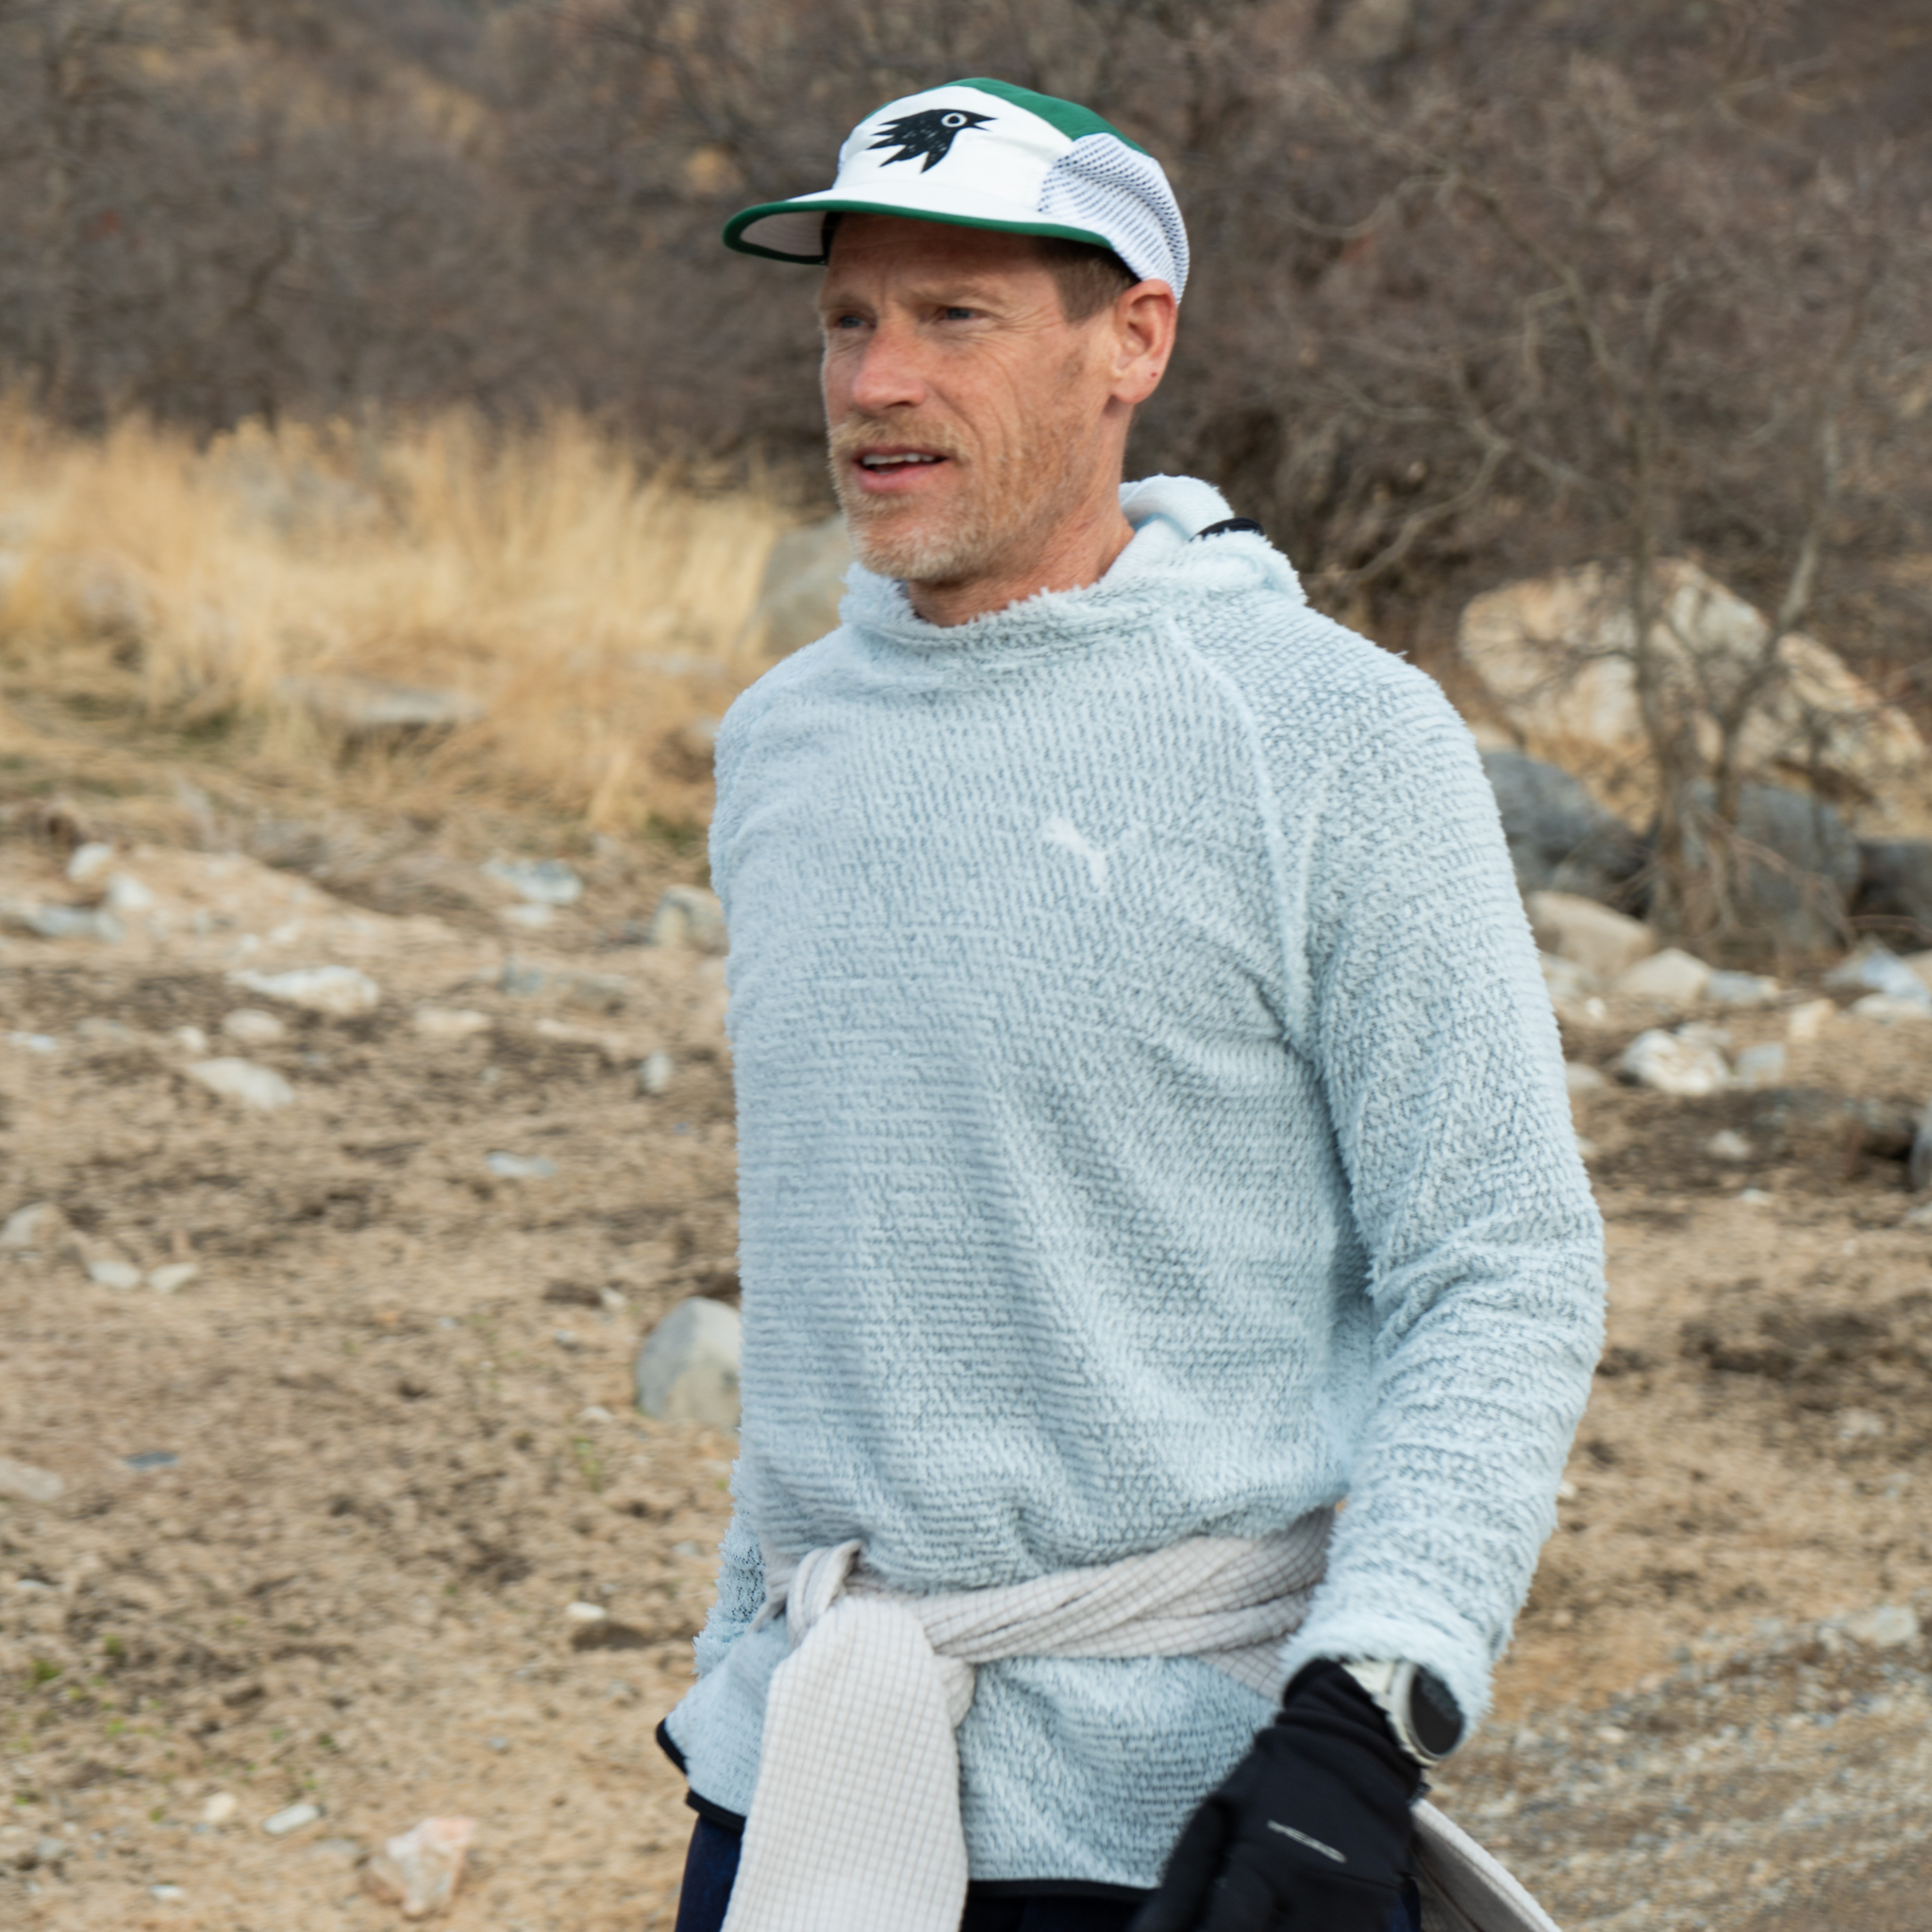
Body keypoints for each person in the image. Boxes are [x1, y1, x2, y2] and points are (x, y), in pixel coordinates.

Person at [654, 77, 1605, 1932]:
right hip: (812, 1778)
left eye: (956, 316)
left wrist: (1364, 1720)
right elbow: (841, 1265)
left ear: (1132, 342)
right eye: (847, 318)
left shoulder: (1333, 738)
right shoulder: (778, 747)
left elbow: (1498, 1256)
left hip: (1191, 1816)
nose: (874, 382)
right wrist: (733, 1670)